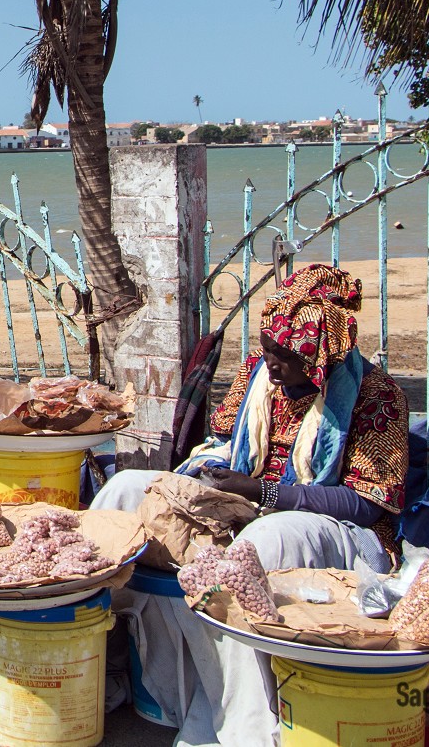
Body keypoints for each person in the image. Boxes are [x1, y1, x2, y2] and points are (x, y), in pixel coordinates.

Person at [92, 264, 408, 747]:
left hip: (334, 530)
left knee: (259, 544)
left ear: (320, 358)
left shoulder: (376, 396)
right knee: (125, 492)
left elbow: (367, 504)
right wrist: (204, 478)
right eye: (267, 350)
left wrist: (264, 494)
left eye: (285, 356)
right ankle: (107, 668)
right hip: (245, 499)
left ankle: (240, 728)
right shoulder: (259, 374)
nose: (271, 364)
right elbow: (220, 441)